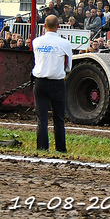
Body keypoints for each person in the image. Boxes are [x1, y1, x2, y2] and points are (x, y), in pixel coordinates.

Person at [31, 15, 72, 152]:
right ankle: (61, 149)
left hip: (40, 81)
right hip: (57, 83)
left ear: (44, 26)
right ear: (58, 26)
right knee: (59, 118)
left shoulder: (36, 42)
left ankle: (42, 148)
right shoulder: (64, 43)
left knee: (41, 119)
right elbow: (68, 67)